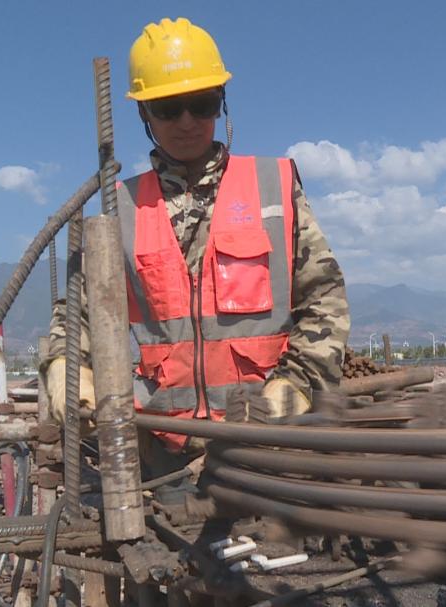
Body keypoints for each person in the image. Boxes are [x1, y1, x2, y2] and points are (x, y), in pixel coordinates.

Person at [43, 17, 349, 468]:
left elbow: (324, 297)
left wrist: (298, 383)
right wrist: (66, 367)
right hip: (164, 446)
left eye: (201, 104)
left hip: (268, 441)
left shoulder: (275, 187)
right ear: (144, 112)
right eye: (168, 108)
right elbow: (79, 311)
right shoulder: (119, 209)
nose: (186, 121)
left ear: (221, 104)